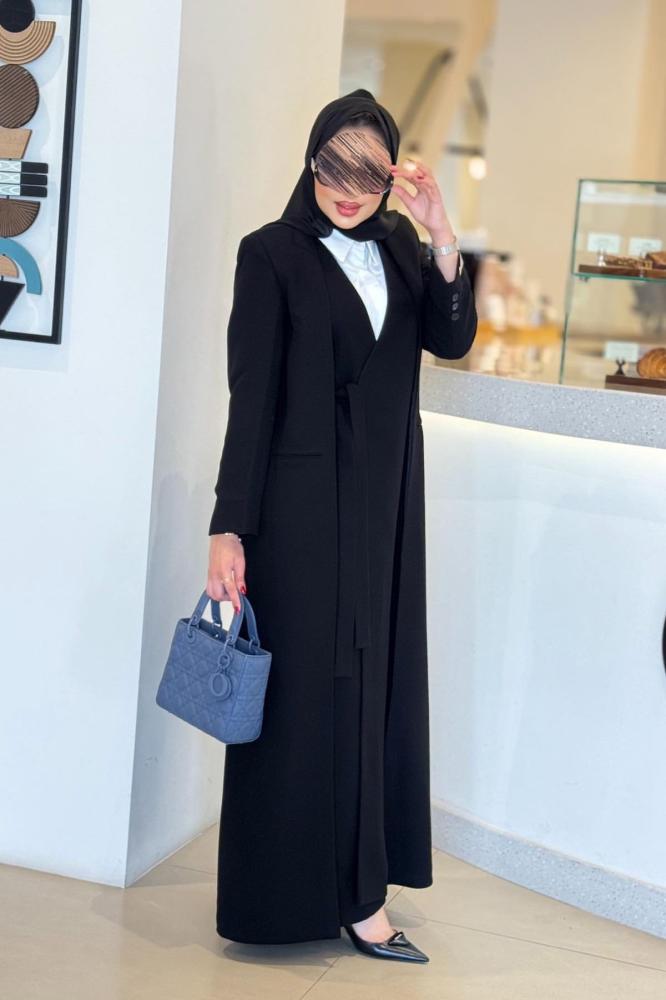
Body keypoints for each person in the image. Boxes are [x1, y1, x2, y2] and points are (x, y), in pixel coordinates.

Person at [206, 89, 477, 962]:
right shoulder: (270, 254)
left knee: (373, 693)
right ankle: (279, 900)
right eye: (333, 168)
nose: (348, 190)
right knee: (299, 702)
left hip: (384, 510)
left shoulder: (400, 247)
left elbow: (452, 341)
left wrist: (440, 232)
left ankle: (363, 896)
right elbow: (251, 397)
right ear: (312, 162)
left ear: (391, 176)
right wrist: (229, 527)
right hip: (298, 516)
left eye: (368, 173)